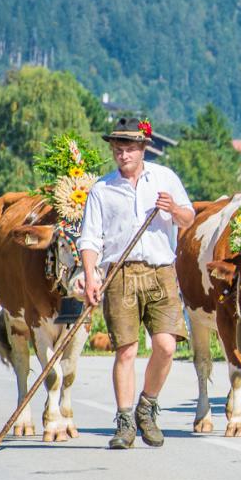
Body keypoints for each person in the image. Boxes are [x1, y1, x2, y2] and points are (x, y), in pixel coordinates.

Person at [78, 116, 195, 449]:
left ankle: (147, 406)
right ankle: (126, 422)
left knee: (166, 345)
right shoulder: (102, 189)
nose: (123, 155)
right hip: (120, 273)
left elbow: (188, 218)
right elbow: (90, 240)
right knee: (126, 350)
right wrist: (90, 275)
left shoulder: (165, 178)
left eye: (129, 148)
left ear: (144, 148)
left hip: (161, 271)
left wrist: (172, 208)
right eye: (118, 149)